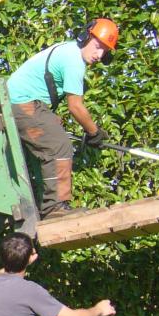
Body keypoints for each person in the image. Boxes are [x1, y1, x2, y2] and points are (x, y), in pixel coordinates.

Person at [7, 18, 119, 218]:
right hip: (22, 102)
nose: (99, 55)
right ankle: (54, 208)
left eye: (105, 51)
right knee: (59, 145)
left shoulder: (67, 51)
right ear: (85, 37)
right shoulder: (74, 61)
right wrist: (95, 133)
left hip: (21, 102)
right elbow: (75, 106)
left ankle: (49, 204)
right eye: (97, 46)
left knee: (52, 135)